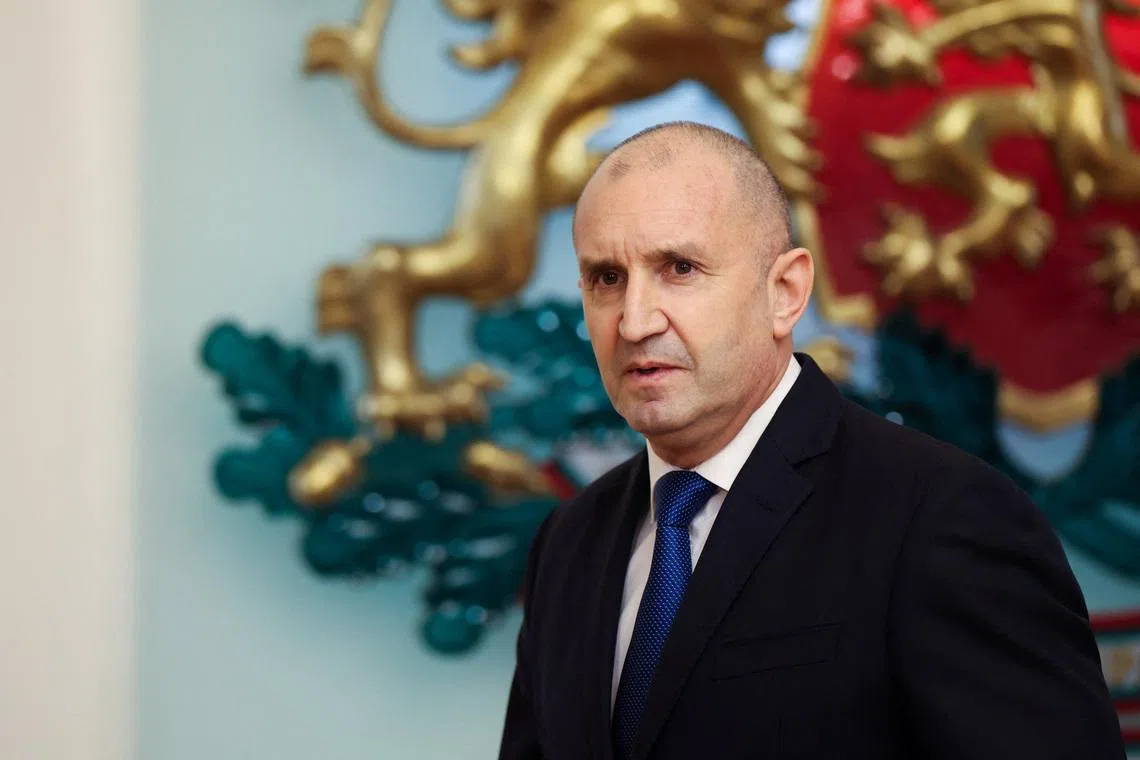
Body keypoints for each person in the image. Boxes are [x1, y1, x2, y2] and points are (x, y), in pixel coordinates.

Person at [496, 121, 1125, 760]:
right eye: (606, 278)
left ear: (786, 293)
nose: (634, 320)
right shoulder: (569, 541)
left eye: (679, 268)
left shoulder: (943, 517)